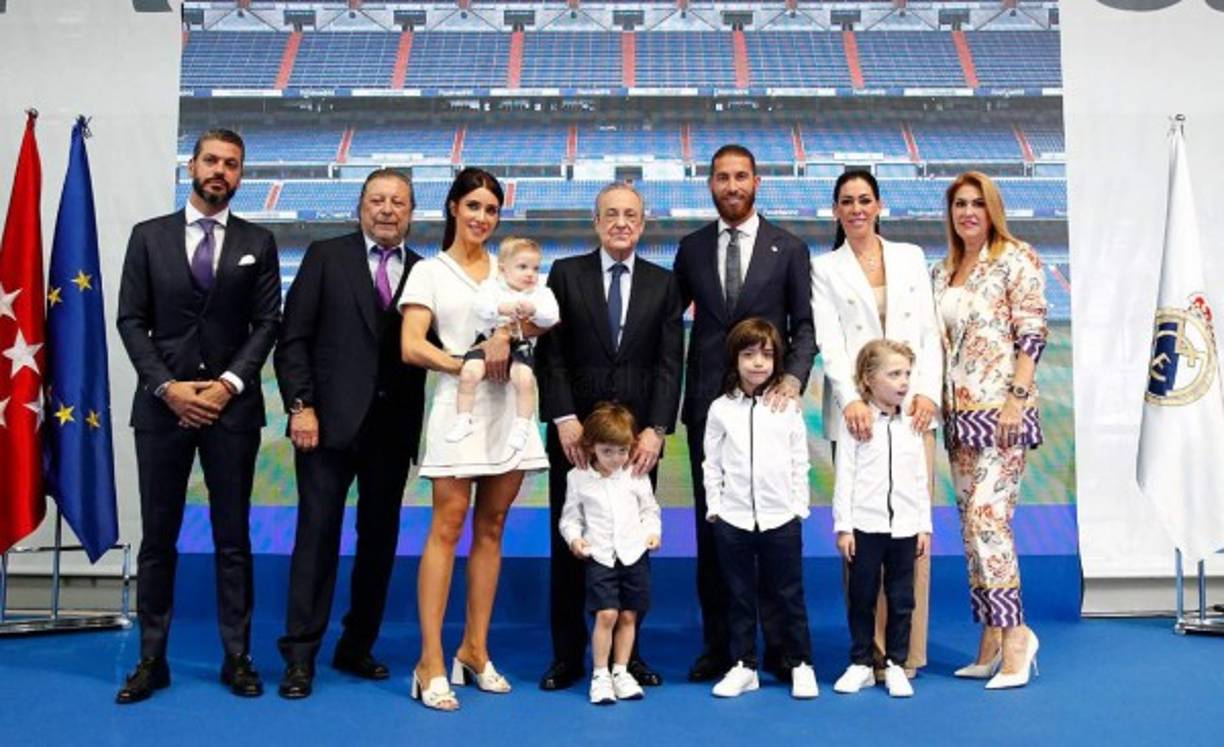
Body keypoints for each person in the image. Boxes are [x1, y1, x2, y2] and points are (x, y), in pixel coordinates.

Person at [114, 128, 280, 703]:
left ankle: (238, 658)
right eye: (212, 160)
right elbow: (131, 321)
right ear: (193, 165)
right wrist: (168, 388)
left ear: (240, 175)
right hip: (163, 411)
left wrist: (227, 385)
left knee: (232, 538)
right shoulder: (148, 237)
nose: (221, 171)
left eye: (232, 164)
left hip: (231, 412)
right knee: (158, 540)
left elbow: (267, 325)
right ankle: (151, 660)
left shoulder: (260, 240)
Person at [273, 168, 428, 699]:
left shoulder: (427, 272)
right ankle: (299, 654)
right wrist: (302, 406)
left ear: (412, 212)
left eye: (398, 202)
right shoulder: (325, 256)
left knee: (378, 544)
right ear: (361, 206)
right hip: (327, 426)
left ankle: (357, 644)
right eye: (378, 200)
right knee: (316, 538)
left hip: (391, 431)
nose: (387, 210)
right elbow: (292, 340)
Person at [400, 167, 549, 711]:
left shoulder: (508, 268)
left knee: (493, 526)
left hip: (508, 407)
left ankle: (474, 649)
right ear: (453, 208)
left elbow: (532, 323)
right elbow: (412, 345)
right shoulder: (429, 273)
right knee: (447, 525)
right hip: (456, 405)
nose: (482, 218)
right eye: (473, 207)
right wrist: (465, 359)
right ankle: (429, 660)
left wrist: (511, 334)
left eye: (490, 210)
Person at [673, 144, 816, 683]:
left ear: (757, 182)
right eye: (721, 177)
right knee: (716, 534)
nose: (731, 186)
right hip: (711, 409)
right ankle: (723, 647)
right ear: (710, 184)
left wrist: (793, 379)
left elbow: (803, 326)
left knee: (774, 531)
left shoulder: (789, 248)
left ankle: (781, 648)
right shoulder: (690, 249)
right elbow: (667, 325)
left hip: (771, 409)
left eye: (741, 177)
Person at [534, 181, 683, 691]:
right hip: (578, 442)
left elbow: (669, 366)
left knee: (632, 547)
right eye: (611, 214)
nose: (621, 223)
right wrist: (562, 418)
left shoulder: (664, 285)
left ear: (642, 225)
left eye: (631, 215)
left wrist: (657, 429)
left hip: (636, 444)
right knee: (574, 543)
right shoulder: (566, 274)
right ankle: (566, 657)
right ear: (596, 222)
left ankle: (628, 658)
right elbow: (550, 357)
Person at [810, 170, 941, 679]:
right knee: (863, 543)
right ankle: (869, 654)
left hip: (913, 411)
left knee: (911, 537)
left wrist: (926, 390)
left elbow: (928, 332)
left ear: (880, 205)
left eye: (865, 199)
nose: (857, 208)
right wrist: (851, 399)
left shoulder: (909, 256)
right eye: (847, 201)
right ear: (837, 211)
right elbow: (832, 342)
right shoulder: (824, 269)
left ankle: (908, 654)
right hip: (857, 415)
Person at [931, 171, 1048, 690]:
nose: (968, 212)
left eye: (977, 203)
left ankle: (1018, 635)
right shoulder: (944, 271)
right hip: (959, 418)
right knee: (969, 527)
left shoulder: (1015, 259)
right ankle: (991, 634)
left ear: (992, 209)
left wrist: (1017, 399)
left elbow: (1032, 333)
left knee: (988, 519)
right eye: (960, 204)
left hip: (1004, 413)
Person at [702, 318, 817, 700]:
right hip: (733, 519)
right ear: (734, 359)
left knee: (788, 594)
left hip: (781, 518)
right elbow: (711, 463)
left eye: (766, 355)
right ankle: (743, 665)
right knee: (738, 595)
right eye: (748, 355)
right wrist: (716, 508)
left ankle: (800, 663)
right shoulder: (720, 409)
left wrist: (798, 506)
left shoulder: (786, 408)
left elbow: (799, 460)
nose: (757, 363)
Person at [831, 340, 932, 699]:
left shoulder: (913, 424)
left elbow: (919, 477)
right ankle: (860, 662)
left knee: (902, 598)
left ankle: (895, 664)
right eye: (894, 374)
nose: (904, 382)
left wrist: (923, 524)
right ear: (868, 379)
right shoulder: (856, 424)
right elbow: (845, 474)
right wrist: (844, 526)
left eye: (907, 374)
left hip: (905, 528)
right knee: (862, 596)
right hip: (865, 527)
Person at [558, 403, 662, 705]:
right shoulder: (577, 478)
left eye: (622, 451)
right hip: (601, 556)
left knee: (629, 615)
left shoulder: (636, 475)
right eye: (607, 452)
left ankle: (621, 671)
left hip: (634, 554)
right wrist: (575, 539)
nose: (616, 459)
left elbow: (649, 510)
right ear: (591, 447)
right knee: (606, 614)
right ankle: (600, 674)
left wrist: (652, 533)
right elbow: (569, 518)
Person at [447, 237, 559, 450]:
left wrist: (534, 311)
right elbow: (479, 307)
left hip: (521, 342)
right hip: (488, 339)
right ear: (503, 269)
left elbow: (552, 317)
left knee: (524, 379)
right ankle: (463, 418)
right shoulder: (490, 287)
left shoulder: (541, 293)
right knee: (469, 372)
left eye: (535, 268)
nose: (530, 274)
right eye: (522, 267)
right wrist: (501, 308)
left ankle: (522, 424)